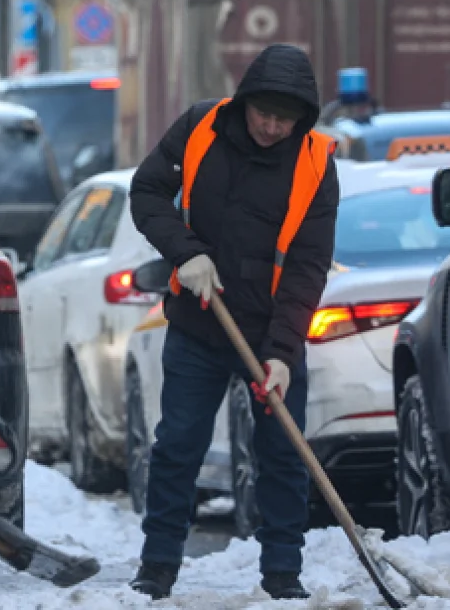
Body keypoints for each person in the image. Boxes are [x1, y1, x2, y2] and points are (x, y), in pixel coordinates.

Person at [127, 43, 340, 601]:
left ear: (303, 117)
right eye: (263, 112)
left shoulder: (317, 162)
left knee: (283, 451)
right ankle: (158, 566)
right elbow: (147, 192)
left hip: (271, 331)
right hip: (200, 325)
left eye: (285, 117)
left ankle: (282, 573)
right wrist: (185, 252)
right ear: (244, 101)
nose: (272, 126)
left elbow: (308, 265)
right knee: (177, 445)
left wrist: (282, 350)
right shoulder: (201, 127)